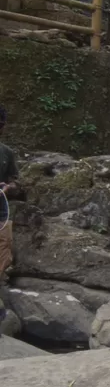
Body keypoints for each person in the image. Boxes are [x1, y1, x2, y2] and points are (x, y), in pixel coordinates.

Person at [0, 105, 18, 284]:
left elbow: (15, 181)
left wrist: (7, 187)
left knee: (4, 250)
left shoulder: (6, 153)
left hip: (1, 214)